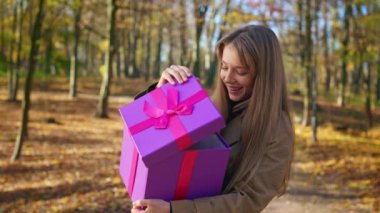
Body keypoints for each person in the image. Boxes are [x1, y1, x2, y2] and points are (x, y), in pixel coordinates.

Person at [131, 25, 294, 213]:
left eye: (241, 71)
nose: (228, 78)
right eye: (224, 67)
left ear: (263, 75)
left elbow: (249, 201)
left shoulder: (277, 128)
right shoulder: (210, 108)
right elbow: (151, 140)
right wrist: (162, 94)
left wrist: (172, 210)